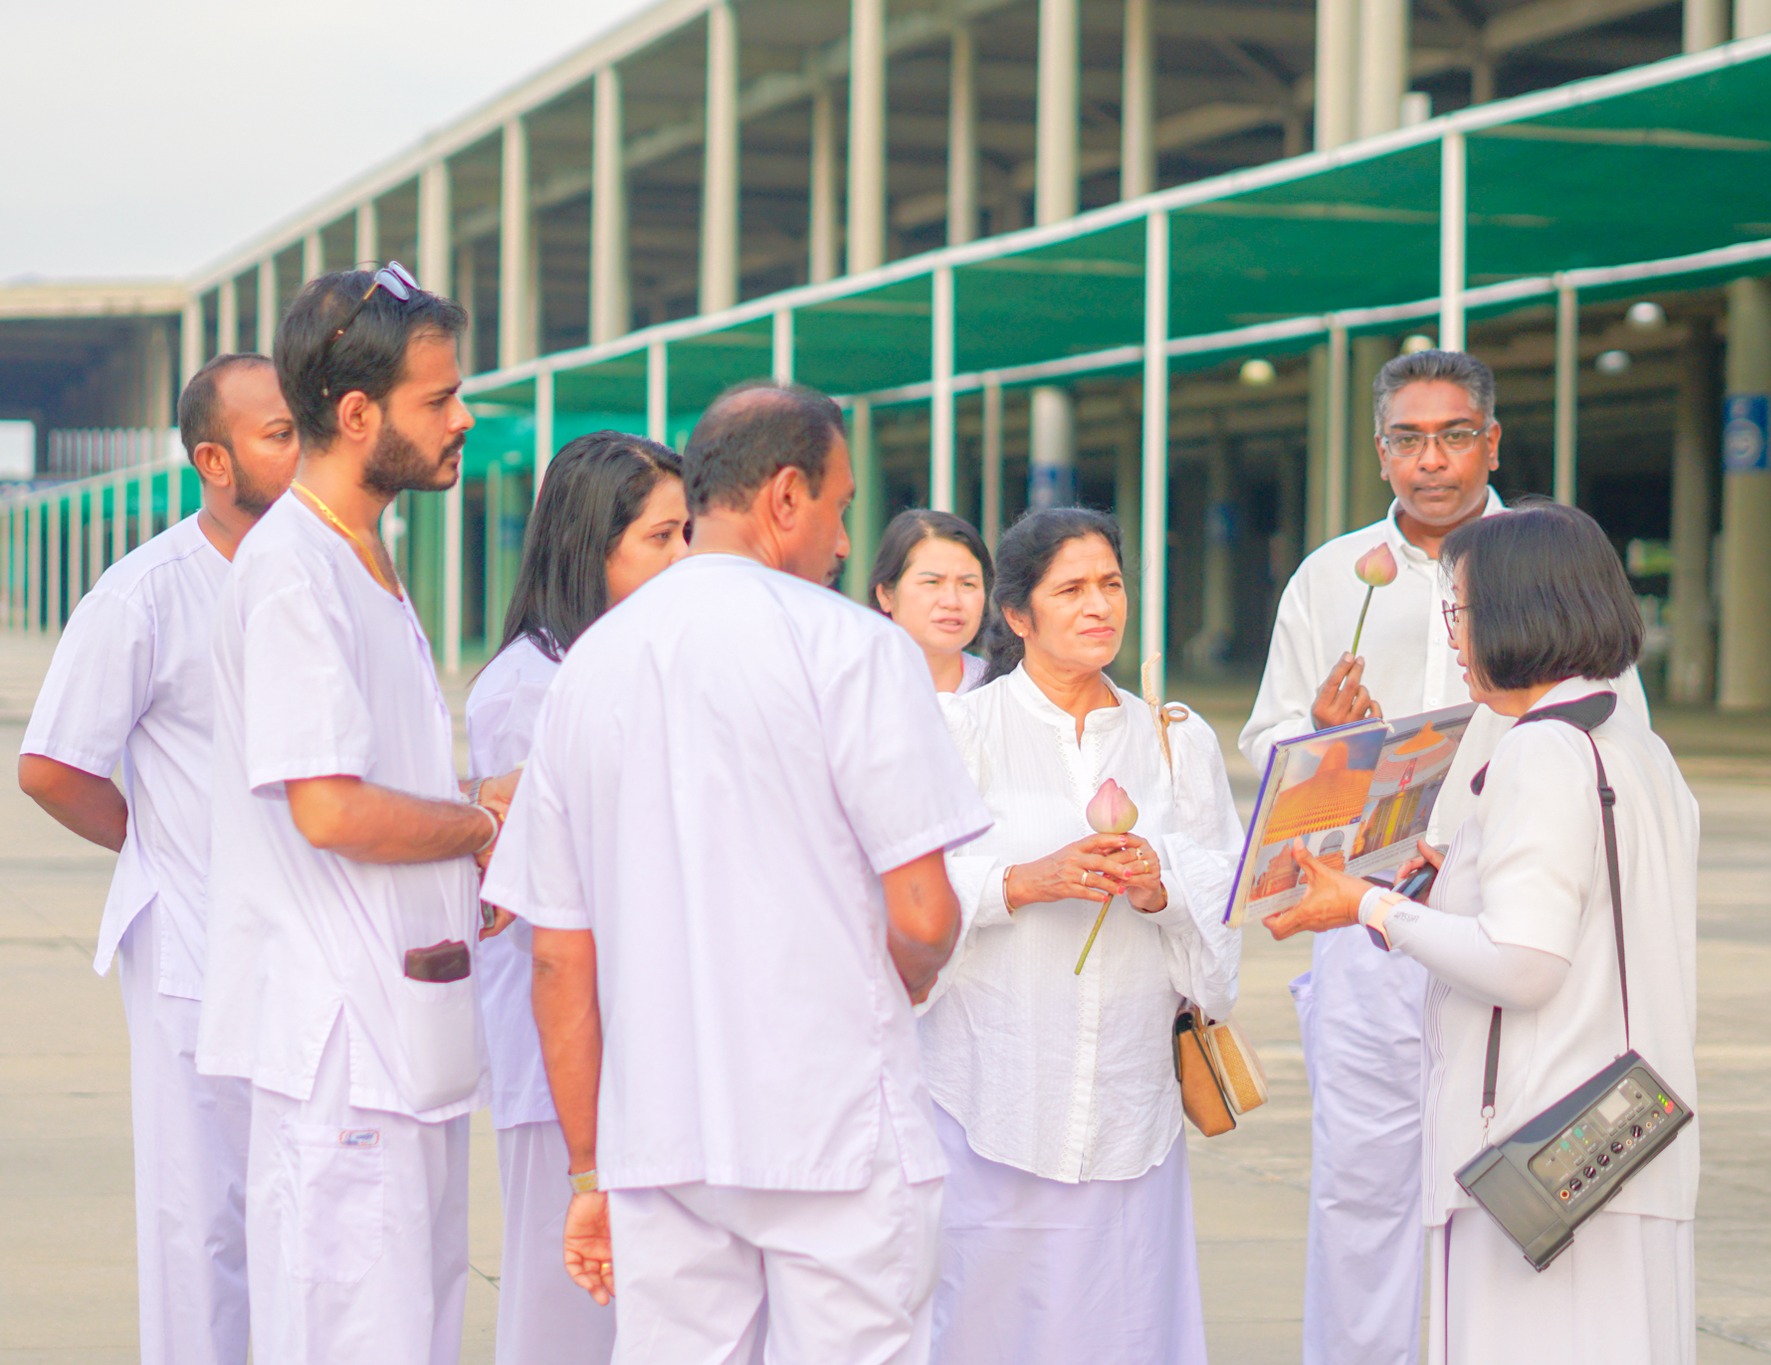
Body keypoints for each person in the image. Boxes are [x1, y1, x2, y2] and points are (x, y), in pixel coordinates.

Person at [481, 383, 994, 1365]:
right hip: (832, 1123)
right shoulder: (853, 648)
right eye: (842, 507)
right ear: (786, 495)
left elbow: (557, 961)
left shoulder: (585, 670)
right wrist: (902, 984)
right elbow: (924, 913)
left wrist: (589, 1174)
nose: (845, 541)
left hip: (661, 1133)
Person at [1239, 348, 1647, 1365]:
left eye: (1454, 434)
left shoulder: (1548, 566)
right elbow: (1263, 749)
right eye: (1409, 439)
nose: (1433, 460)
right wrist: (1321, 744)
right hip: (1365, 917)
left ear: (1490, 442)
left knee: (1511, 1175)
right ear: (1379, 454)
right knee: (1363, 1185)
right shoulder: (1332, 580)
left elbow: (1615, 743)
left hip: (1514, 926)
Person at [197, 264, 504, 1364]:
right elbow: (326, 808)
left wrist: (467, 841)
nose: (463, 416)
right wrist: (478, 829)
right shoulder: (295, 573)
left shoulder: (363, 555)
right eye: (440, 399)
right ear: (358, 412)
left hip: (400, 1033)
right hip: (342, 1053)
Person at [17, 352, 298, 1365]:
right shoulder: (146, 593)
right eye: (278, 433)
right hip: (192, 945)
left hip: (302, 945)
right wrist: (159, 842)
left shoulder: (321, 574)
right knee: (202, 1223)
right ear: (213, 460)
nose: (303, 446)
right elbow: (53, 766)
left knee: (297, 1212)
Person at [921, 507, 1242, 1364]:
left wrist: (1158, 883)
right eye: (1072, 589)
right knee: (987, 1315)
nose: (1100, 606)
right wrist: (1028, 881)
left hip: (1129, 1099)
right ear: (1018, 614)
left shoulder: (1174, 739)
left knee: (1126, 1319)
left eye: (1111, 584)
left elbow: (1223, 884)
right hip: (995, 1089)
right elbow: (905, 896)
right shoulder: (959, 732)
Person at [463, 429, 687, 1365]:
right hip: (565, 1043)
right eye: (661, 536)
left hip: (647, 1036)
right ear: (592, 545)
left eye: (689, 533)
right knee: (567, 1311)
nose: (684, 558)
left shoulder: (641, 664)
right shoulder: (528, 688)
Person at [869, 507, 993, 693]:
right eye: (932, 582)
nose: (952, 602)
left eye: (967, 584)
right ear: (886, 594)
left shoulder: (1000, 692)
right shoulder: (852, 687)